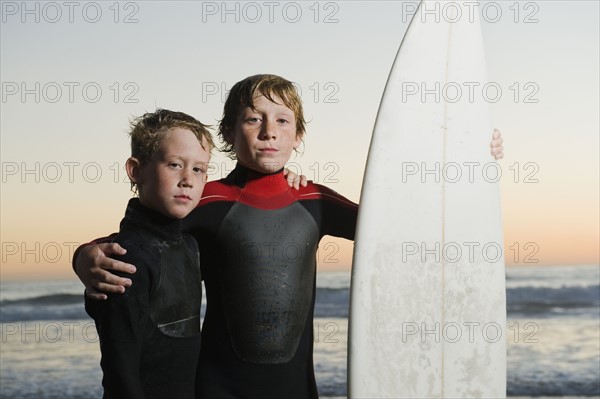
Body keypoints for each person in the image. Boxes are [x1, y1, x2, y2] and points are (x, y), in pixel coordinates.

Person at [74, 74, 504, 398]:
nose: (268, 130)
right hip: (217, 387)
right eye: (252, 119)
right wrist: (84, 256)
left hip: (297, 388)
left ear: (298, 136)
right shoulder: (209, 198)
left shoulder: (313, 199)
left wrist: (472, 160)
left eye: (283, 120)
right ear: (227, 133)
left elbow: (403, 226)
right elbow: (143, 239)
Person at [85, 109, 214, 399]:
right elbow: (121, 373)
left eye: (199, 169)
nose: (188, 180)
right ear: (136, 170)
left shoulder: (189, 245)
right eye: (174, 165)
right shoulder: (123, 260)